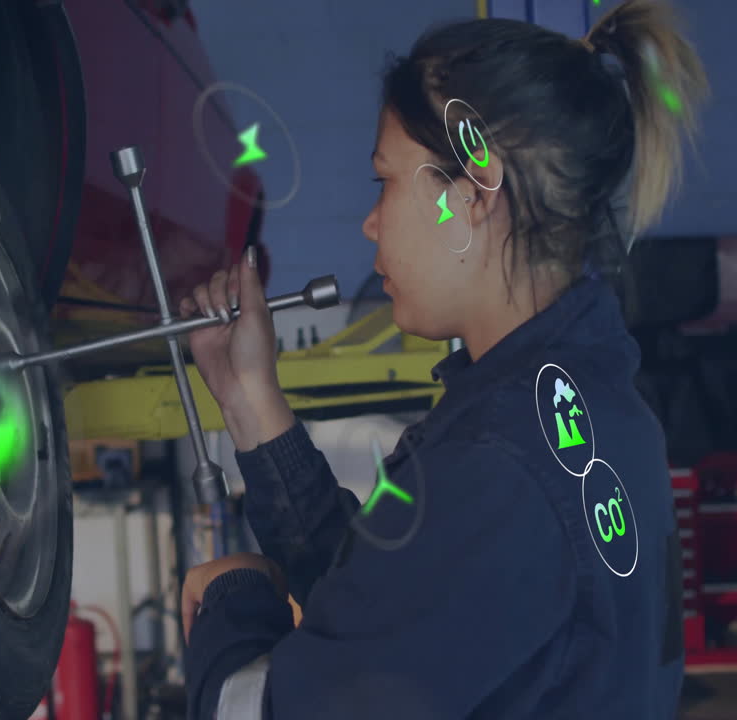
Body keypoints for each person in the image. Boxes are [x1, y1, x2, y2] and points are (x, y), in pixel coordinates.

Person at [175, 1, 708, 718]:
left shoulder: (497, 464)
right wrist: (249, 399)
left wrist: (232, 609)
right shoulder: (586, 407)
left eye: (384, 180)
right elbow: (395, 595)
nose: (370, 221)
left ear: (474, 192)